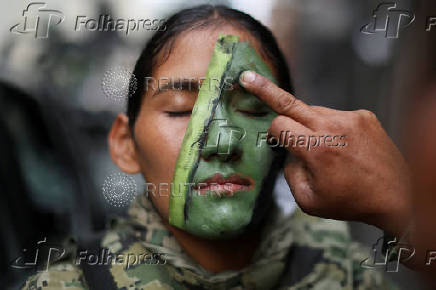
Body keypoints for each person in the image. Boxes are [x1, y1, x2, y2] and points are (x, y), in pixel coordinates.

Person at [22, 5, 409, 289]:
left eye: (253, 109)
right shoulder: (70, 283)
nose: (223, 142)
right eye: (181, 111)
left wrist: (403, 209)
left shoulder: (350, 276)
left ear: (292, 137)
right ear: (126, 144)